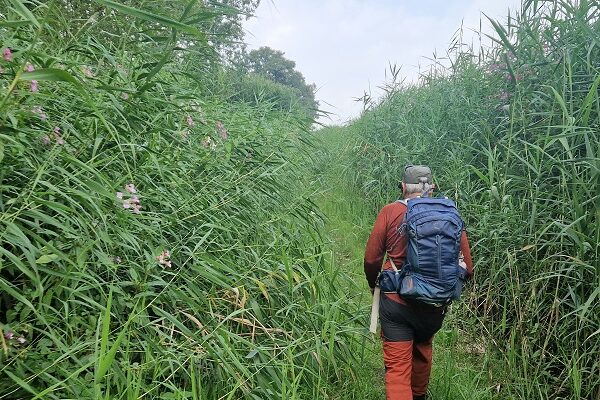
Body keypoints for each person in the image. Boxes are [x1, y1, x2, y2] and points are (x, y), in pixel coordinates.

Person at [363, 165, 473, 400]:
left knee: (398, 368)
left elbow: (372, 258)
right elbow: (468, 267)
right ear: (432, 187)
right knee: (422, 349)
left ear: (403, 186)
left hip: (396, 301)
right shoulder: (449, 213)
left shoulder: (391, 211)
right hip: (435, 301)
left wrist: (374, 284)